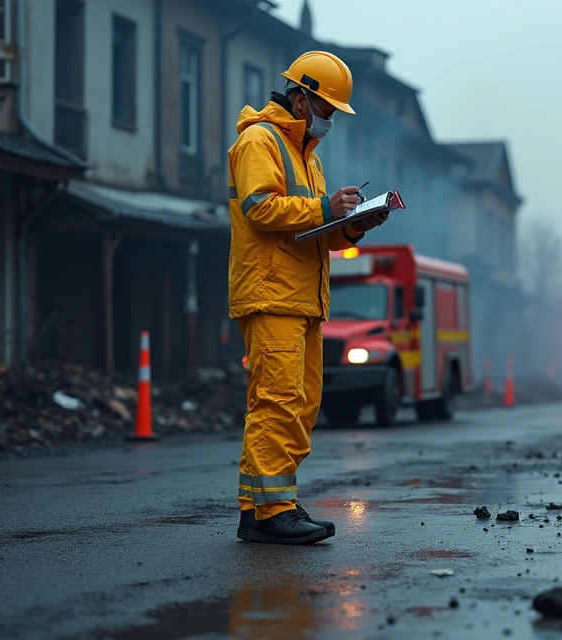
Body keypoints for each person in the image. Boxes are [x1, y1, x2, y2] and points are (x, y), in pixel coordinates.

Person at [228, 51, 389, 545]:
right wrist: (324, 206)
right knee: (276, 403)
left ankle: (264, 507)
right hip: (272, 295)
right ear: (300, 99)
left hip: (302, 299)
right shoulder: (259, 140)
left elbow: (315, 232)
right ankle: (271, 512)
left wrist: (354, 225)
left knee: (300, 405)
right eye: (327, 108)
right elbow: (260, 208)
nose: (331, 119)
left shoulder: (308, 157)